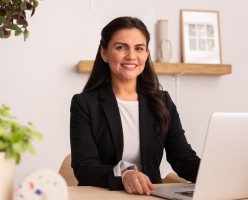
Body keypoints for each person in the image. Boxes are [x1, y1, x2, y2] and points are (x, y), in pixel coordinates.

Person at [70, 16, 200, 196]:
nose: (131, 56)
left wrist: (216, 173)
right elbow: (85, 167)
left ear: (146, 54)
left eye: (139, 48)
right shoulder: (84, 104)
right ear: (105, 53)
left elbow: (183, 158)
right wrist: (124, 175)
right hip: (104, 195)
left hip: (151, 195)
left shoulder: (163, 102)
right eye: (121, 47)